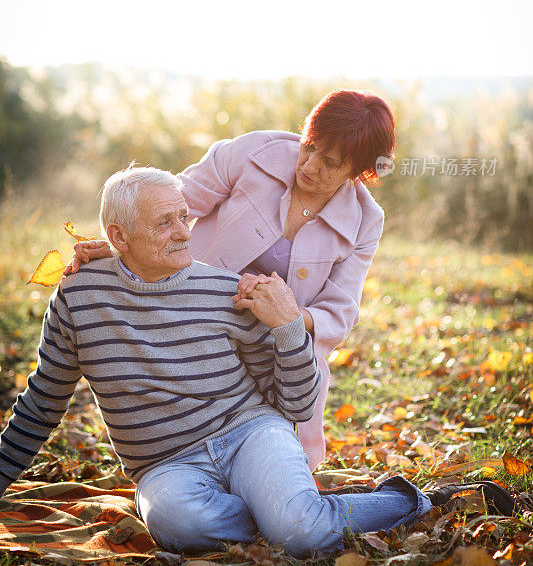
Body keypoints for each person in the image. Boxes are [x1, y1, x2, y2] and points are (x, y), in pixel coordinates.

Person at [0, 166, 436, 557]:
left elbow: (297, 407)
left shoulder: (225, 291)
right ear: (118, 237)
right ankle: (283, 513)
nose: (185, 232)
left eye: (184, 217)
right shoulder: (78, 297)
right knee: (179, 525)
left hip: (250, 435)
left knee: (303, 533)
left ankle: (405, 500)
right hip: (166, 465)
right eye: (165, 222)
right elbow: (42, 403)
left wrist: (287, 328)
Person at [66, 89, 394, 472]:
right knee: (192, 436)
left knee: (285, 466)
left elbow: (339, 312)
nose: (309, 165)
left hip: (279, 343)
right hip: (194, 320)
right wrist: (121, 244)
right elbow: (167, 206)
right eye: (310, 146)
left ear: (358, 172)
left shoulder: (365, 220)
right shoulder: (253, 153)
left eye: (332, 163)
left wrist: (284, 314)